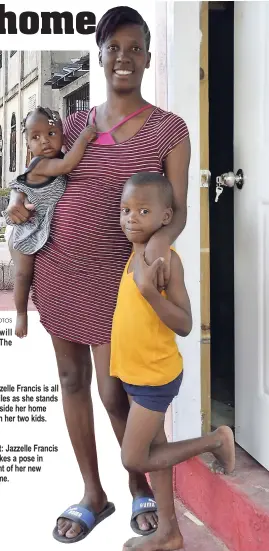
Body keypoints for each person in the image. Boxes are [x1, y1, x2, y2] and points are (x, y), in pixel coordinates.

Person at [6, 6, 191, 543]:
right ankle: (94, 493)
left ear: (148, 58)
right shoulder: (81, 120)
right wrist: (18, 202)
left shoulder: (168, 129)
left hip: (119, 287)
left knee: (118, 396)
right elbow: (38, 174)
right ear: (101, 56)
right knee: (71, 381)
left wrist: (153, 253)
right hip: (58, 272)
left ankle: (138, 486)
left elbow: (176, 210)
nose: (124, 58)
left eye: (135, 49)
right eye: (113, 48)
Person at [110, 172, 235, 551]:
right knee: (156, 452)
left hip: (154, 378)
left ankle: (215, 440)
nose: (132, 218)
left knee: (135, 456)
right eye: (126, 210)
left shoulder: (164, 260)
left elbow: (184, 323)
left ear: (166, 217)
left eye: (143, 210)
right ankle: (170, 533)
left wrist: (149, 291)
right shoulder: (137, 251)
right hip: (133, 373)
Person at [2, 106, 96, 339]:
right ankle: (21, 313)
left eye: (51, 134)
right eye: (36, 137)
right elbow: (67, 167)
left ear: (63, 134)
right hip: (25, 232)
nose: (44, 141)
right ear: (28, 145)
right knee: (24, 274)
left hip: (39, 228)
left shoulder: (58, 158)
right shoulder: (40, 164)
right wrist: (84, 137)